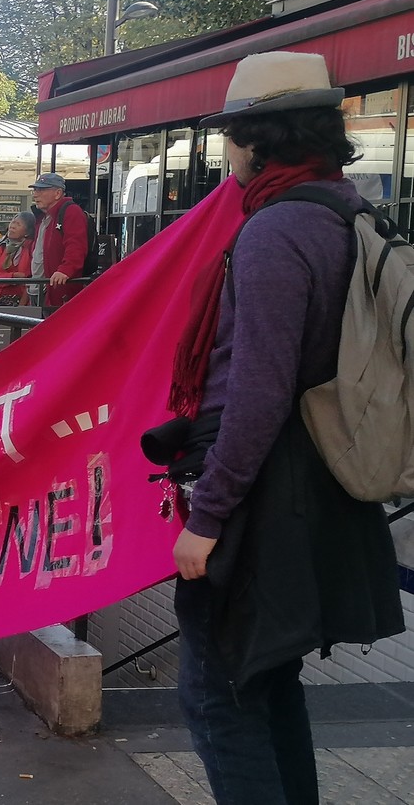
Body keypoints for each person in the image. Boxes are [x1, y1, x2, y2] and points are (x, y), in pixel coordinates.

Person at [167, 51, 403, 805]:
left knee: (218, 696)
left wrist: (207, 517)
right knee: (267, 682)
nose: (227, 152)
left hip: (268, 497)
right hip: (322, 484)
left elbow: (257, 393)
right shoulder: (347, 211)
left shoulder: (277, 230)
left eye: (232, 135)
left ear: (258, 139)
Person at [27, 172, 87, 309]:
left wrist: (66, 270)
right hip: (41, 287)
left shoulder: (71, 212)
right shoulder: (44, 216)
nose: (36, 194)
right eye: (35, 190)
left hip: (57, 289)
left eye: (41, 190)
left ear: (58, 193)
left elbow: (76, 245)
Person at [0, 212, 37, 305]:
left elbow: (30, 277)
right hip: (1, 300)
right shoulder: (1, 247)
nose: (12, 226)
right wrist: (13, 276)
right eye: (13, 222)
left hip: (25, 301)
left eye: (18, 224)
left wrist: (22, 305)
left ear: (28, 232)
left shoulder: (31, 247)